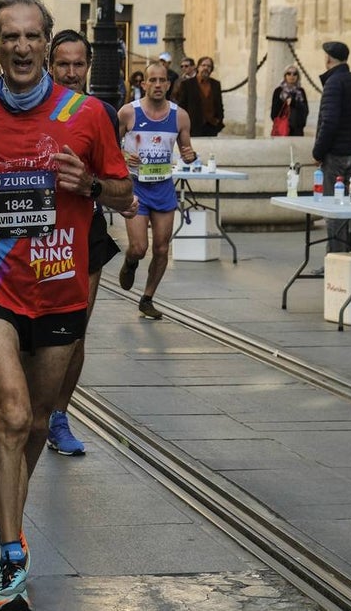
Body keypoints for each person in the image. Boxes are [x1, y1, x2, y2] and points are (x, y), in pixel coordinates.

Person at [0, 0, 131, 610]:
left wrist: (88, 183)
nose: (20, 47)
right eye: (8, 37)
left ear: (46, 42)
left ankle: (7, 494)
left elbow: (122, 191)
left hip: (62, 282)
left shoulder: (87, 114)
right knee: (12, 413)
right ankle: (11, 549)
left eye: (32, 37)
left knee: (38, 419)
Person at [44, 28, 125, 456]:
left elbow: (117, 183)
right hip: (28, 232)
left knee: (73, 334)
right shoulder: (24, 106)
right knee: (27, 334)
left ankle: (58, 414)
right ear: (49, 65)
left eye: (79, 65)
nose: (72, 73)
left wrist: (100, 189)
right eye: (64, 64)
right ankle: (25, 405)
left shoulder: (101, 113)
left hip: (82, 234)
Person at [116, 61, 198, 319]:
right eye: (153, 80)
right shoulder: (128, 113)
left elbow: (187, 152)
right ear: (144, 84)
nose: (158, 85)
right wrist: (123, 157)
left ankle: (147, 298)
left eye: (163, 80)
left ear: (169, 84)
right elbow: (109, 148)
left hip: (163, 188)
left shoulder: (180, 116)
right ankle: (130, 262)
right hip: (136, 187)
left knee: (162, 249)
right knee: (140, 247)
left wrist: (190, 155)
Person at [312, 41, 351, 253]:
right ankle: (350, 256)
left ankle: (335, 259)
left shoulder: (333, 83)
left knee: (334, 210)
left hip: (335, 154)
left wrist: (318, 152)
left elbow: (329, 121)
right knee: (350, 207)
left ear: (328, 59)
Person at [175, 55, 224, 137]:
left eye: (209, 66)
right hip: (193, 126)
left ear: (211, 69)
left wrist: (219, 119)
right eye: (203, 65)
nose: (206, 68)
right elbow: (182, 106)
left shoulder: (216, 84)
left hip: (211, 126)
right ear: (198, 67)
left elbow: (219, 104)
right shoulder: (187, 84)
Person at [270, 63, 309, 137]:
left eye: (295, 74)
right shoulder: (279, 91)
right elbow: (274, 113)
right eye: (289, 73)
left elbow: (305, 110)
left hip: (297, 130)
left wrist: (294, 103)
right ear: (285, 76)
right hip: (282, 130)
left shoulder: (300, 91)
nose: (292, 76)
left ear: (298, 76)